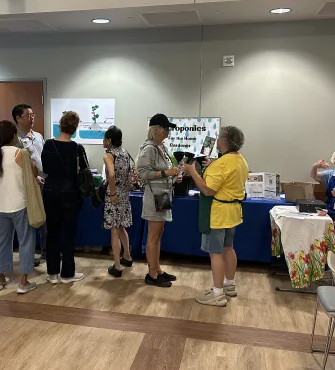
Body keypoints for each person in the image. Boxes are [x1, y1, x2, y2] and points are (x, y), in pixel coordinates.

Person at [183, 126, 248, 307]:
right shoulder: (240, 160)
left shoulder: (220, 164)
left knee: (216, 252)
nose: (216, 140)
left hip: (218, 214)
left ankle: (217, 293)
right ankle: (229, 284)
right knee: (229, 248)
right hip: (233, 212)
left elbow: (207, 189)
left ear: (225, 141)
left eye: (219, 137)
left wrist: (193, 171)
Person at [0, 120, 38, 293]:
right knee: (25, 241)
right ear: (14, 136)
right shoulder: (20, 153)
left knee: (1, 242)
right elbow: (34, 172)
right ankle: (23, 282)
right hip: (18, 204)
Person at [41, 111, 87, 284]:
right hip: (71, 195)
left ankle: (52, 273)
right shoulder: (77, 148)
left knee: (51, 233)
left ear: (60, 125)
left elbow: (45, 168)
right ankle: (67, 273)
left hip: (51, 192)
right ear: (75, 128)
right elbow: (84, 171)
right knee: (68, 234)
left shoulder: (48, 145)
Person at [137, 113, 181, 288]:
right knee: (153, 235)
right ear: (157, 129)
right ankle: (151, 273)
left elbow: (164, 172)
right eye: (166, 128)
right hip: (154, 196)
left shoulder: (161, 147)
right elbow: (142, 174)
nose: (168, 131)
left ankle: (158, 269)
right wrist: (165, 174)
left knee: (159, 233)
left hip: (162, 194)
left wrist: (173, 177)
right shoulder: (149, 149)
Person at [13, 103, 46, 263]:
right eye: (28, 115)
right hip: (28, 184)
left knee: (44, 218)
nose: (32, 118)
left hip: (44, 181)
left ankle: (47, 252)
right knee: (29, 221)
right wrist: (33, 178)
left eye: (33, 115)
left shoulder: (38, 136)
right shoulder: (15, 139)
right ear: (18, 118)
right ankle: (29, 256)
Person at [102, 126, 134, 277]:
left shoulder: (109, 155)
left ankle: (117, 265)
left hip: (114, 194)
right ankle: (127, 256)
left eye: (104, 138)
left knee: (114, 229)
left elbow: (111, 175)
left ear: (109, 140)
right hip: (125, 194)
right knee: (121, 227)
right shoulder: (125, 153)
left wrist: (113, 193)